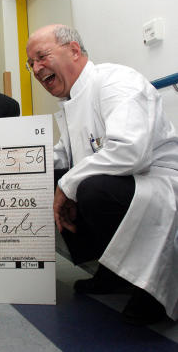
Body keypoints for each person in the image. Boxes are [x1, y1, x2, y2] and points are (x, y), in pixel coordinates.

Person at [26, 24, 178, 325]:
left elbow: (131, 151)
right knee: (48, 176)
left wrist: (66, 184)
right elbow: (65, 155)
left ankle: (152, 291)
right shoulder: (73, 100)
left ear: (73, 50)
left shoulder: (116, 82)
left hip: (157, 182)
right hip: (124, 182)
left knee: (92, 189)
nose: (36, 68)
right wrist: (18, 159)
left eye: (42, 56)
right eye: (31, 63)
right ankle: (114, 274)